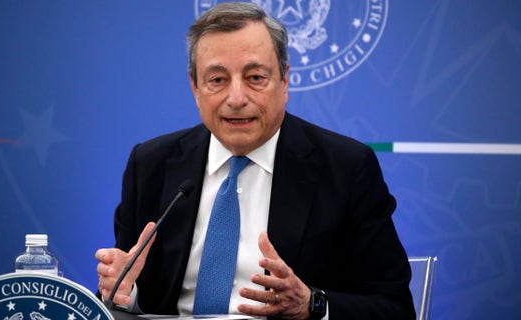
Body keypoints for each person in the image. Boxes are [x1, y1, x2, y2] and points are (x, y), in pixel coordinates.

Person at [95, 2, 415, 319]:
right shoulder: (151, 165)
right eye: (217, 80)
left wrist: (311, 304)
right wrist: (126, 293)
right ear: (195, 87)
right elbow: (124, 293)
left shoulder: (346, 169)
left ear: (284, 81)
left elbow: (395, 309)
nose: (236, 98)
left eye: (255, 77)